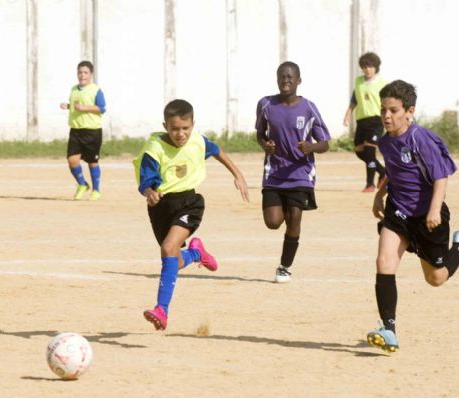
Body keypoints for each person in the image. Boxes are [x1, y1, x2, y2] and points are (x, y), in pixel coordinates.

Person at [367, 80, 459, 352]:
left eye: (393, 110)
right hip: (398, 212)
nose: (387, 116)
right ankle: (389, 329)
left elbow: (441, 176)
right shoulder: (385, 141)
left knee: (435, 278)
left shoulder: (420, 139)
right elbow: (393, 171)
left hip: (428, 215)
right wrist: (380, 194)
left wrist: (434, 209)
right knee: (384, 261)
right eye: (383, 110)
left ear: (409, 111)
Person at [132, 99, 249, 331]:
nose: (181, 133)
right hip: (161, 207)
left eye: (185, 128)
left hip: (189, 203)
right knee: (172, 257)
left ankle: (161, 310)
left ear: (192, 125)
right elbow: (146, 180)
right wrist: (149, 191)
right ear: (165, 126)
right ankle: (196, 253)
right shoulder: (153, 149)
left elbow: (217, 151)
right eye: (175, 128)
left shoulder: (197, 141)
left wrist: (238, 174)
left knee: (167, 248)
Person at [255, 61, 331, 283]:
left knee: (295, 217)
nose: (285, 80)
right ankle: (285, 217)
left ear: (299, 81)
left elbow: (325, 142)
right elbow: (259, 133)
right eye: (282, 76)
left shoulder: (308, 108)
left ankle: (284, 267)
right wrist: (264, 145)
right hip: (274, 173)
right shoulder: (266, 105)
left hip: (300, 172)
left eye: (290, 77)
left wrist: (311, 147)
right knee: (273, 222)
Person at [59, 60, 106, 201]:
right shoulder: (74, 89)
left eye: (85, 72)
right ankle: (82, 184)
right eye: (80, 72)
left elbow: (102, 108)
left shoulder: (96, 90)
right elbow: (75, 106)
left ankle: (96, 190)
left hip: (92, 131)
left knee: (92, 162)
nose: (82, 75)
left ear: (91, 74)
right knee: (72, 160)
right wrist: (67, 106)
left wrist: (84, 108)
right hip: (76, 130)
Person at [342, 52, 387, 193]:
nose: (368, 69)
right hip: (362, 120)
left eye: (371, 66)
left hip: (376, 120)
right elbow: (355, 99)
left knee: (369, 150)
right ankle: (384, 172)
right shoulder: (358, 81)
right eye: (365, 66)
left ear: (376, 68)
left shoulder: (382, 83)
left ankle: (370, 184)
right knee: (359, 151)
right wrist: (348, 113)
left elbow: (389, 101)